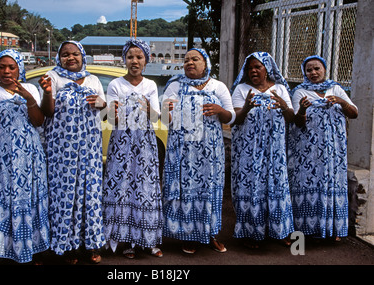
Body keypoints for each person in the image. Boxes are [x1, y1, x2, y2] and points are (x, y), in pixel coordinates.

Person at [0, 49, 50, 264]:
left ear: (19, 68)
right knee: (2, 197)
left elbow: (39, 121)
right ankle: (0, 249)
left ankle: (30, 247)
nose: (6, 71)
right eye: (2, 67)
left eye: (11, 67)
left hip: (30, 155)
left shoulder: (29, 87)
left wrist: (29, 97)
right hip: (0, 157)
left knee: (29, 197)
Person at [38, 41, 106, 264]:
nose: (70, 58)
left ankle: (90, 244)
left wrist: (99, 102)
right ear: (59, 58)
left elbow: (104, 110)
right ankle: (66, 247)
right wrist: (48, 93)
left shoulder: (93, 79)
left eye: (75, 54)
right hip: (62, 149)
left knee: (89, 193)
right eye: (65, 54)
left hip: (89, 148)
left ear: (82, 55)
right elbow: (47, 112)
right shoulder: (53, 76)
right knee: (64, 193)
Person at [162, 48, 235, 254]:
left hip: (210, 151)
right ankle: (188, 236)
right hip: (182, 149)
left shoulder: (217, 86)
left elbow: (231, 117)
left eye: (195, 59)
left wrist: (220, 111)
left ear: (206, 64)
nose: (190, 63)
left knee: (209, 190)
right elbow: (164, 119)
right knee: (186, 191)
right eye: (186, 60)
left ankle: (209, 234)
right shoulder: (175, 85)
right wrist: (168, 110)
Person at [102, 38, 164, 259]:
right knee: (123, 189)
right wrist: (112, 110)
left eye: (139, 57)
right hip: (122, 145)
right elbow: (111, 120)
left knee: (145, 190)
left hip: (145, 144)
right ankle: (126, 242)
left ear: (146, 61)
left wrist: (148, 108)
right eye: (130, 57)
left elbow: (159, 118)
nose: (134, 61)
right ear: (124, 60)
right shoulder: (115, 85)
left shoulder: (151, 86)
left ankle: (149, 240)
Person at [288, 55, 358, 241]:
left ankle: (333, 229)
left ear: (324, 69)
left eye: (316, 68)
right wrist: (302, 109)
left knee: (333, 185)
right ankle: (307, 230)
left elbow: (354, 113)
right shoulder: (300, 92)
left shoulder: (335, 88)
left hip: (333, 152)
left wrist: (342, 102)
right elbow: (297, 121)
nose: (313, 73)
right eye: (309, 70)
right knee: (307, 184)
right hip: (307, 153)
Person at [230, 51, 295, 249]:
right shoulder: (241, 89)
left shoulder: (281, 89)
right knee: (252, 187)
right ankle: (251, 233)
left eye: (258, 67)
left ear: (267, 69)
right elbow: (235, 119)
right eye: (250, 68)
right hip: (249, 150)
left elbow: (291, 118)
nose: (253, 71)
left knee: (276, 186)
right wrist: (247, 107)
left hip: (274, 149)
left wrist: (284, 106)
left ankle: (280, 231)